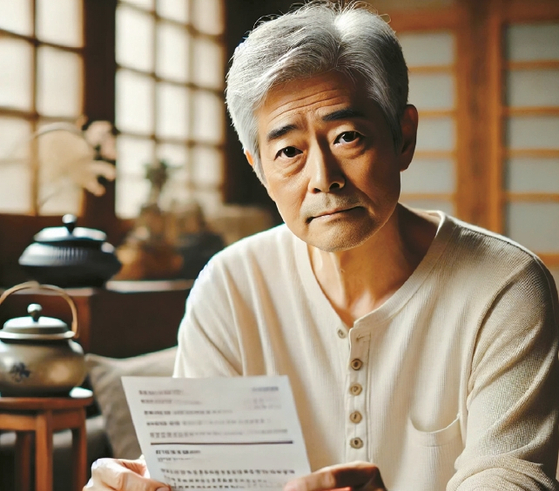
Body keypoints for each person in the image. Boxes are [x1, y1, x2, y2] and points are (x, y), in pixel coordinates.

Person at [85, 1, 559, 490]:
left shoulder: (504, 286)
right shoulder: (230, 285)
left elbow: (512, 479)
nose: (324, 180)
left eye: (348, 136)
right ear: (259, 168)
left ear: (403, 137)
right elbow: (205, 476)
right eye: (289, 151)